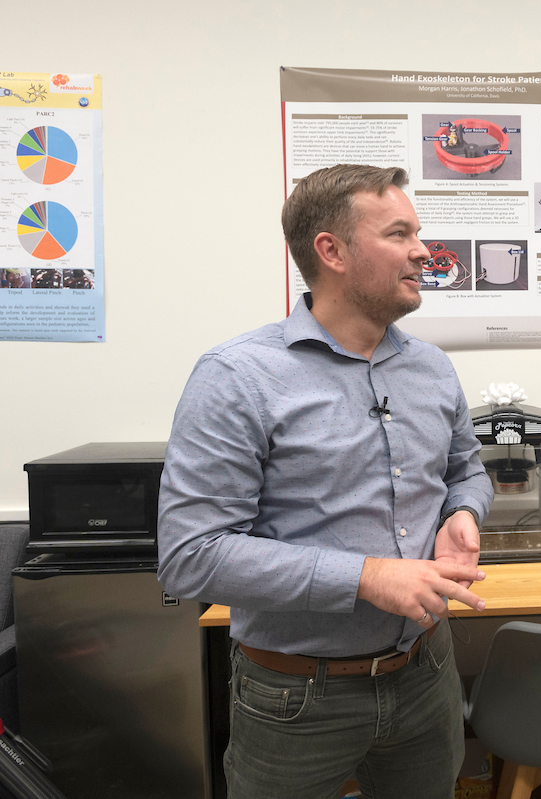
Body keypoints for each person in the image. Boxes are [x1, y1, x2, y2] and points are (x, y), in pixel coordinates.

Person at [158, 164, 493, 799]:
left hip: (426, 673)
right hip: (294, 698)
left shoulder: (431, 367)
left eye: (418, 232)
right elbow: (188, 558)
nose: (423, 250)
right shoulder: (237, 377)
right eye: (399, 234)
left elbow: (465, 470)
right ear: (330, 250)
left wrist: (463, 515)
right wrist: (369, 577)